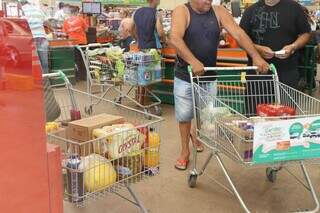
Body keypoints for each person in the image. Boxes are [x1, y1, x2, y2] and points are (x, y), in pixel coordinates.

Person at [169, 0, 269, 170]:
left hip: (209, 75)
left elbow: (238, 33)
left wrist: (256, 56)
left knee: (205, 114)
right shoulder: (182, 11)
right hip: (185, 75)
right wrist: (193, 61)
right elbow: (175, 38)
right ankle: (185, 151)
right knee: (185, 116)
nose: (209, 1)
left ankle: (196, 134)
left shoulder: (218, 11)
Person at [239, 0, 311, 89]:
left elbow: (306, 34)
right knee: (257, 102)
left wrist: (293, 47)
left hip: (287, 71)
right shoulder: (250, 11)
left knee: (286, 103)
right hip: (258, 70)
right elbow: (241, 40)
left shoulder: (294, 8)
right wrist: (258, 49)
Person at [20, 0, 49, 74]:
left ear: (21, 4)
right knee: (44, 62)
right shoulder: (37, 9)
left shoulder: (22, 10)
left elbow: (21, 25)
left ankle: (37, 82)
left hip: (31, 39)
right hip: (42, 38)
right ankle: (46, 83)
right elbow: (46, 22)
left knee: (34, 63)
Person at [63, 5, 88, 80]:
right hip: (82, 42)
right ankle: (84, 77)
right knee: (83, 59)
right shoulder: (81, 19)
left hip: (72, 43)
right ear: (76, 12)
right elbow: (86, 30)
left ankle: (76, 77)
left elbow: (65, 34)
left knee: (74, 60)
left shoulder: (66, 21)